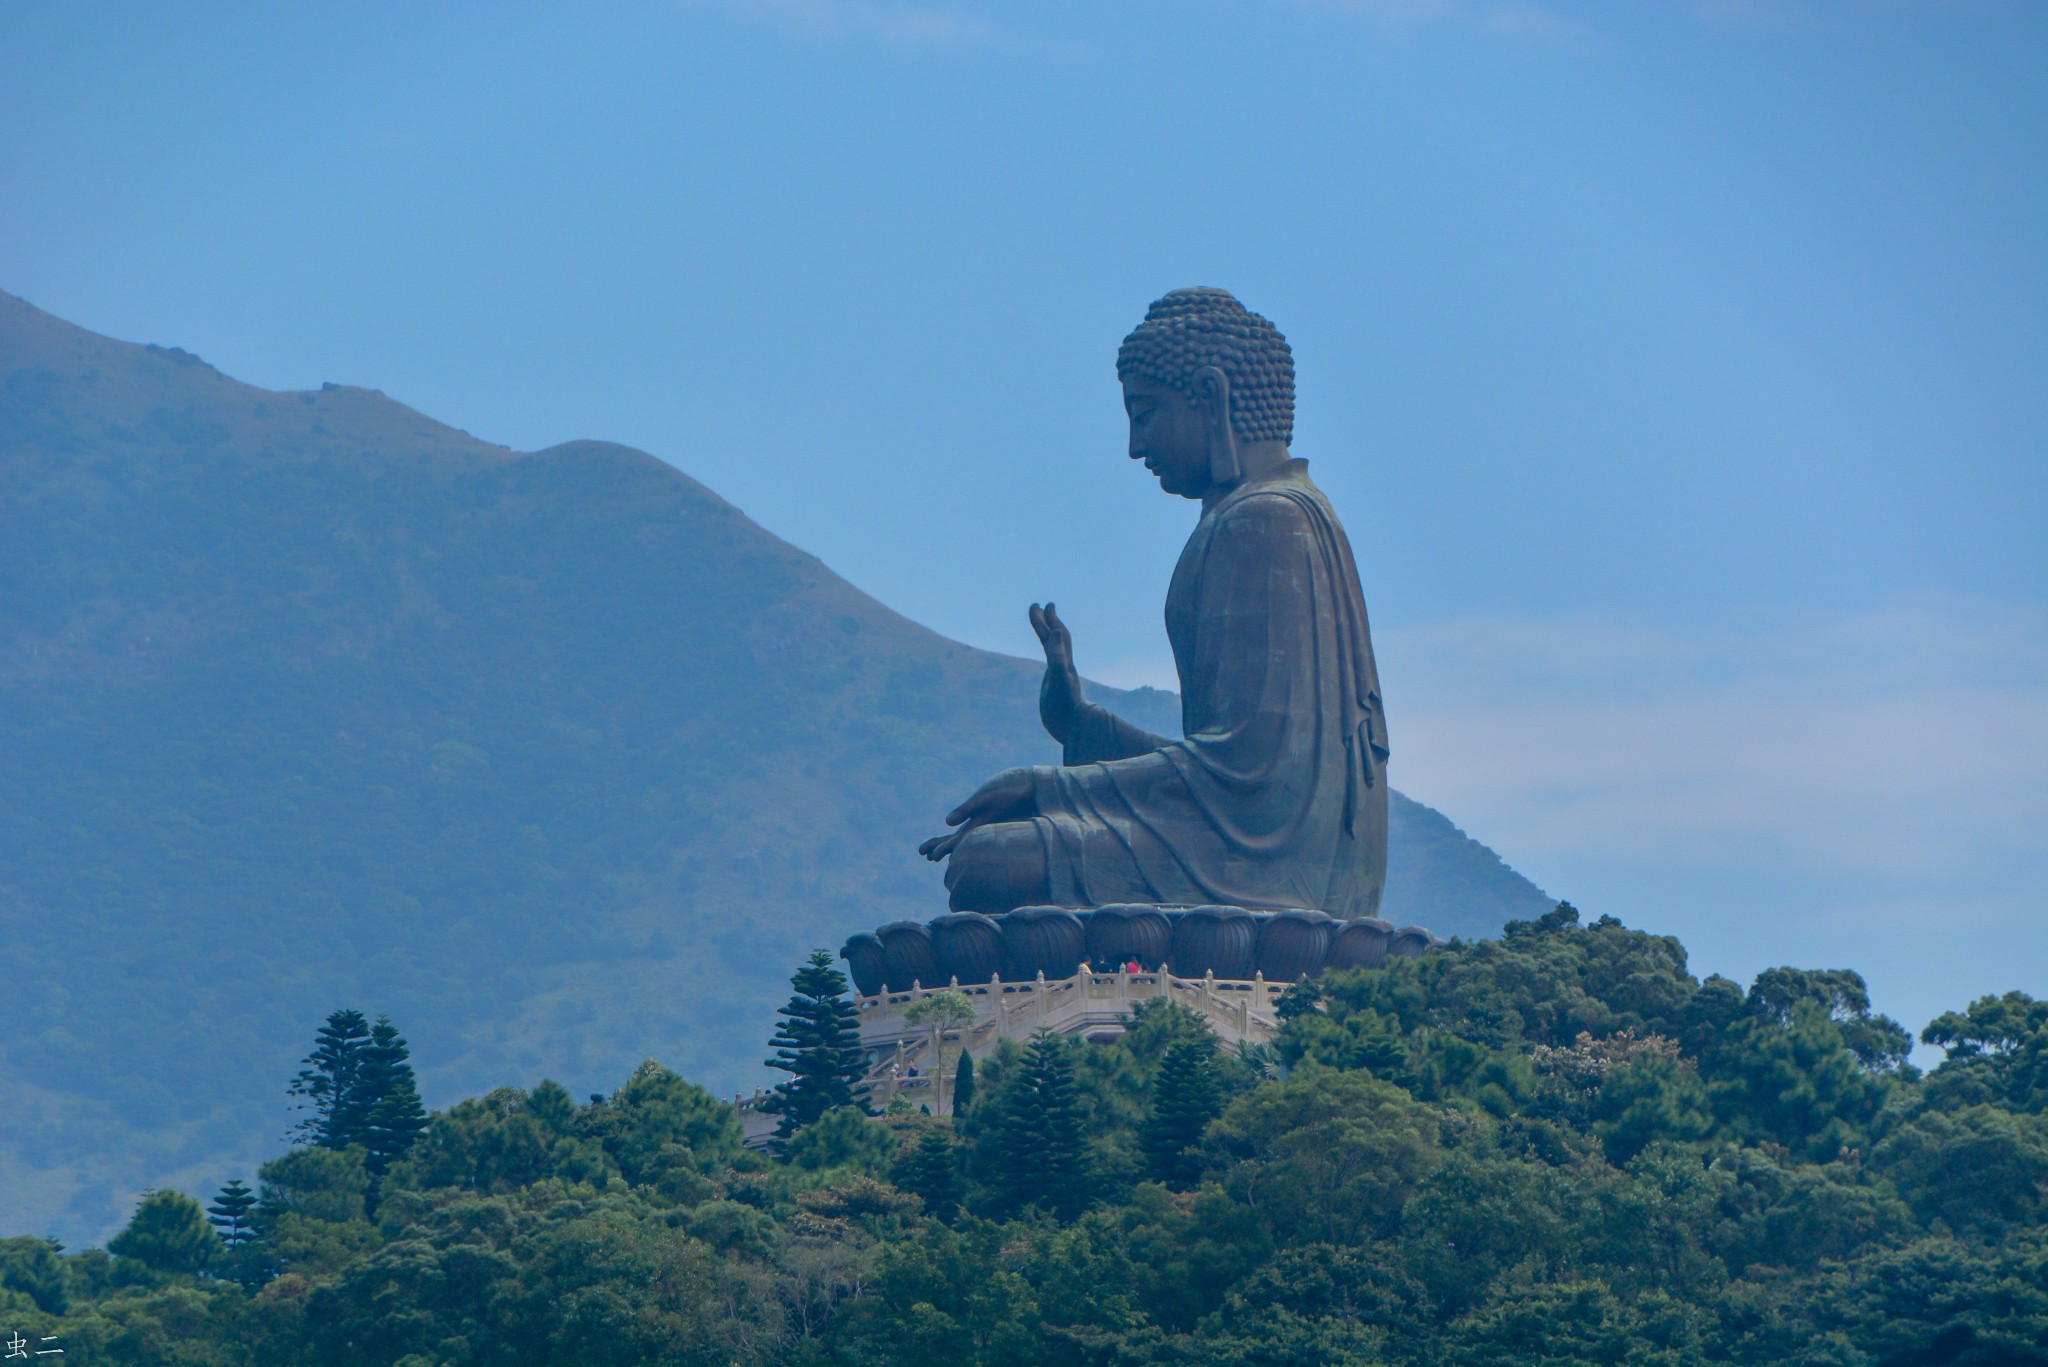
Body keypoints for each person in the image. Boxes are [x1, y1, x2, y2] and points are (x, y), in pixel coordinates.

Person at [920, 288, 1389, 919]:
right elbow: (1225, 765)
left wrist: (1046, 787)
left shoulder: (1265, 522)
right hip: (1247, 850)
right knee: (990, 856)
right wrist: (1080, 724)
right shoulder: (1273, 515)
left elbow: (1246, 780)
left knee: (989, 864)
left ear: (1214, 397)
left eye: (1145, 414)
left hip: (1264, 873)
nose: (1135, 447)